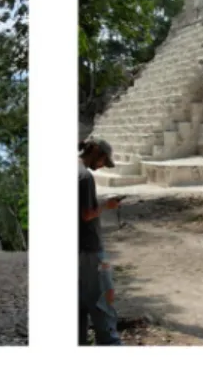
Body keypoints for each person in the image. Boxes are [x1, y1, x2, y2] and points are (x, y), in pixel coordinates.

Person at [78, 138, 123, 346]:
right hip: (89, 250)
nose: (102, 165)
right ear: (95, 151)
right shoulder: (84, 177)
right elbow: (87, 214)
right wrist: (107, 205)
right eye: (103, 160)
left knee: (78, 306)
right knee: (102, 303)